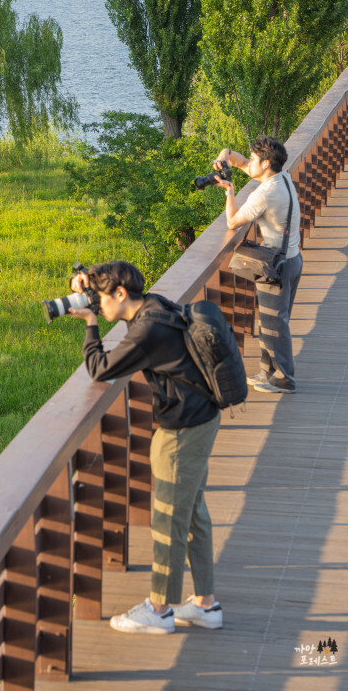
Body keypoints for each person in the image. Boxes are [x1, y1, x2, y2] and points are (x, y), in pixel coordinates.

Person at [68, 260, 223, 635]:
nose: (97, 305)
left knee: (168, 518)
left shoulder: (146, 330)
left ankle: (159, 610)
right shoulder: (154, 305)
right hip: (201, 418)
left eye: (100, 298)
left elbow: (100, 368)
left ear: (121, 293)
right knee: (193, 512)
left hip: (182, 430)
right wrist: (89, 279)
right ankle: (206, 605)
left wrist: (89, 323)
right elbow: (128, 328)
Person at [213, 136, 302, 394]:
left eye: (254, 159)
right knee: (270, 322)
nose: (248, 162)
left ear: (265, 164)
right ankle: (267, 372)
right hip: (292, 259)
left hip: (277, 267)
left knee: (275, 325)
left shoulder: (264, 194)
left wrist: (230, 192)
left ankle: (284, 379)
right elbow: (242, 163)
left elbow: (232, 221)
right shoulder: (282, 178)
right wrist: (225, 154)